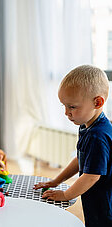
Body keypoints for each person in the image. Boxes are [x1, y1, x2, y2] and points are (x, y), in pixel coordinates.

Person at [33, 65, 112, 227]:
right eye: (64, 106)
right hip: (94, 198)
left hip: (104, 203)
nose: (66, 113)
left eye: (72, 107)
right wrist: (56, 181)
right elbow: (81, 158)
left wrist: (66, 194)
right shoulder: (86, 126)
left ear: (97, 102)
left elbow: (91, 176)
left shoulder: (98, 135)